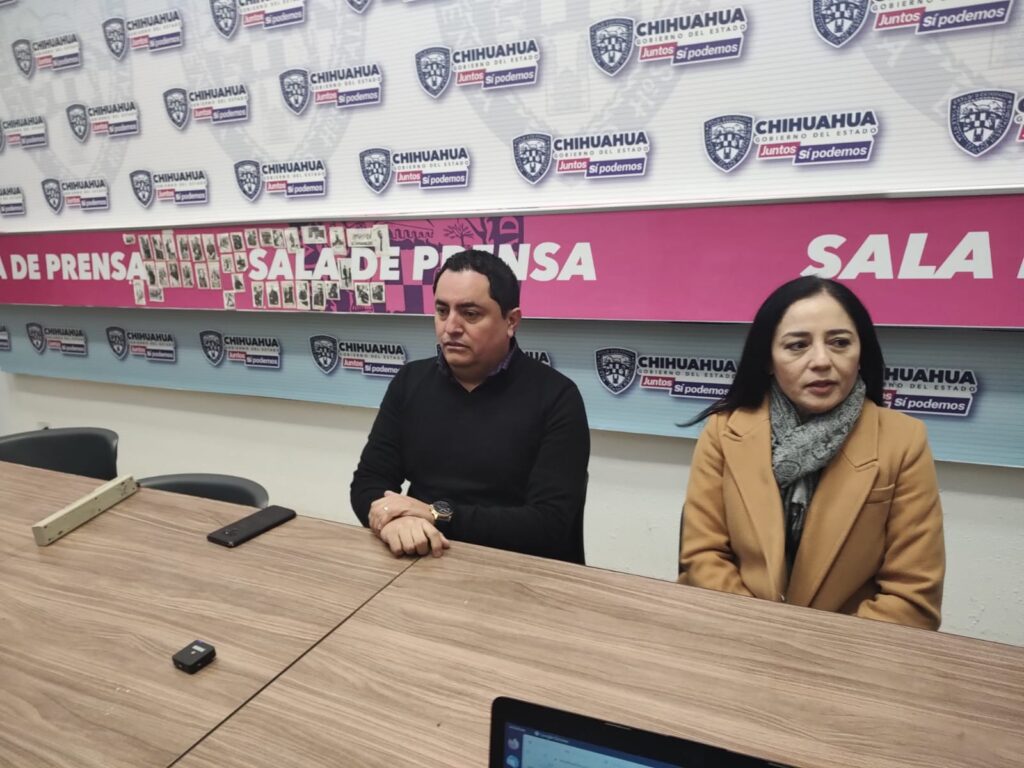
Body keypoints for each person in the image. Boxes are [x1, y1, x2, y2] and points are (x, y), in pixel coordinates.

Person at [679, 276, 945, 629]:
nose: (821, 360)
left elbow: (912, 599)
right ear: (768, 359)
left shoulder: (904, 441)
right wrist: (760, 634)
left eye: (839, 343)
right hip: (736, 633)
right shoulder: (723, 431)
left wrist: (811, 644)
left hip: (850, 649)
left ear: (861, 352)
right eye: (797, 345)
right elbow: (702, 558)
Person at [350, 249, 590, 562]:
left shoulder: (557, 397)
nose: (450, 327)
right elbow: (368, 482)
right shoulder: (410, 381)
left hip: (518, 570)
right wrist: (396, 521)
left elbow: (549, 524)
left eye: (470, 314)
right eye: (442, 311)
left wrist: (436, 515)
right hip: (422, 559)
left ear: (511, 321)